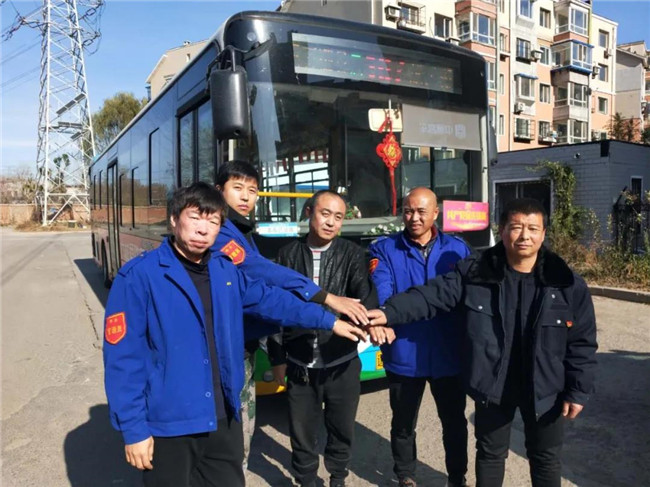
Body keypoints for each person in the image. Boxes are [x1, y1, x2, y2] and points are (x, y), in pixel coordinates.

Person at [103, 182, 366, 487]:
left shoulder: (224, 271)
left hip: (223, 416)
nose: (203, 229)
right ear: (174, 219)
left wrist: (329, 320)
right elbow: (123, 360)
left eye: (213, 221)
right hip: (170, 424)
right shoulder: (139, 276)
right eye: (195, 218)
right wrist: (134, 430)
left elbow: (272, 300)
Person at [367, 198, 598, 487]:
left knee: (545, 458)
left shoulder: (566, 283)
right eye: (516, 227)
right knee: (490, 455)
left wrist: (578, 390)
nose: (524, 236)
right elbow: (431, 295)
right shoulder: (476, 273)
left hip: (545, 386)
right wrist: (388, 313)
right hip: (493, 384)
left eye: (532, 228)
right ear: (502, 230)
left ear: (543, 234)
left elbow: (582, 343)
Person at [211, 160, 369, 466]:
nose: (245, 197)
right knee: (230, 441)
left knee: (240, 436)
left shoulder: (241, 232)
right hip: (229, 348)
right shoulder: (224, 234)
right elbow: (264, 290)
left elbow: (364, 292)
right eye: (237, 188)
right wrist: (325, 303)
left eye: (252, 191)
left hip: (261, 348)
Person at [267, 190, 378, 487]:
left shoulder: (352, 254)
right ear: (309, 213)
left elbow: (365, 296)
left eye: (338, 217)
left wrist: (372, 322)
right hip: (300, 361)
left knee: (342, 428)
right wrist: (277, 357)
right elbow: (274, 308)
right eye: (325, 214)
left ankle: (337, 478)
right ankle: (306, 479)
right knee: (301, 432)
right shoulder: (286, 255)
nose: (331, 222)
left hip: (341, 360)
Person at [368, 187, 470, 487]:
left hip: (448, 353)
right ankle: (406, 475)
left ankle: (457, 477)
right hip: (404, 351)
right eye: (408, 211)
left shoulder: (457, 250)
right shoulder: (385, 249)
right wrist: (383, 316)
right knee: (403, 423)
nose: (414, 218)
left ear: (436, 213)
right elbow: (381, 286)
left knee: (454, 423)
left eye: (421, 211)